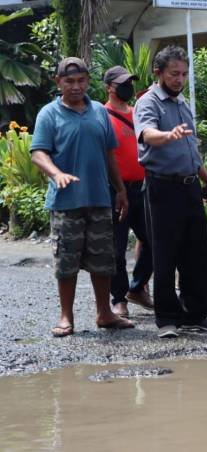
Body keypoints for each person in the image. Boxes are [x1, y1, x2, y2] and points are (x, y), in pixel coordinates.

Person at [30, 57, 135, 337]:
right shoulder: (48, 114)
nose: (76, 87)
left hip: (100, 198)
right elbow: (38, 152)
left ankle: (104, 313)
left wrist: (121, 189)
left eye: (81, 81)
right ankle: (66, 317)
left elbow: (109, 153)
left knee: (104, 259)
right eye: (69, 81)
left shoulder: (100, 111)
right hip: (66, 203)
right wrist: (56, 173)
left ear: (88, 81)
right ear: (58, 82)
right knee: (66, 262)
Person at [134, 45, 207, 338]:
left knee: (196, 254)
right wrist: (166, 135)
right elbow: (147, 134)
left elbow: (190, 150)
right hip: (162, 187)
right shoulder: (148, 103)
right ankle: (168, 319)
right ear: (158, 73)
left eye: (184, 74)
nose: (179, 79)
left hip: (189, 186)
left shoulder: (183, 104)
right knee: (165, 253)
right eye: (174, 74)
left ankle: (196, 314)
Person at [103, 65, 154, 318]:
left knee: (154, 240)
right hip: (115, 190)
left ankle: (137, 288)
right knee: (117, 247)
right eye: (122, 83)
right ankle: (118, 298)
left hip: (141, 188)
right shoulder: (102, 115)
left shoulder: (137, 113)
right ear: (109, 88)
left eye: (129, 82)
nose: (127, 87)